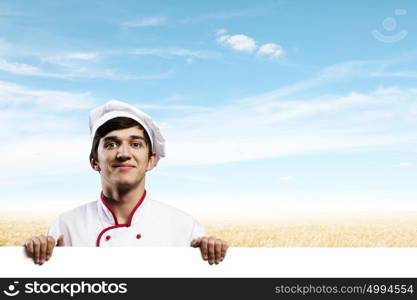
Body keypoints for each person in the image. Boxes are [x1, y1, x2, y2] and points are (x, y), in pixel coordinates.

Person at [24, 100, 229, 265]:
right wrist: (35, 254)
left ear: (151, 160)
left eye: (135, 144)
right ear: (94, 161)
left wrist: (214, 254)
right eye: (111, 144)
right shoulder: (66, 225)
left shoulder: (184, 227)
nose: (123, 154)